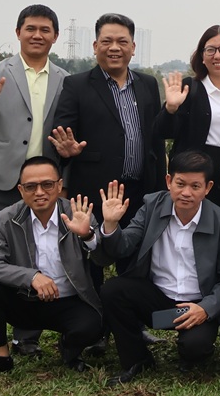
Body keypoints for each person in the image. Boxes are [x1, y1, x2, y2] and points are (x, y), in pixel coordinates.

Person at [0, 4, 66, 362]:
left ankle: (28, 338)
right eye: (30, 28)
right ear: (18, 32)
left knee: (36, 257)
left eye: (45, 29)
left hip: (42, 185)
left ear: (55, 36)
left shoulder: (64, 78)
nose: (37, 35)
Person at [98, 150, 220, 385]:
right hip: (157, 299)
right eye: (180, 184)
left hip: (195, 305)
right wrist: (111, 224)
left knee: (195, 347)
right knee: (113, 290)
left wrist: (205, 308)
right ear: (168, 181)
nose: (186, 193)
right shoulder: (151, 205)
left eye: (195, 186)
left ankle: (190, 348)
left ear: (208, 187)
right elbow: (123, 246)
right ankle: (137, 359)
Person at [0, 157, 108, 384]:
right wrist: (31, 277)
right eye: (31, 186)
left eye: (47, 185)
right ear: (21, 190)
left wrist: (87, 236)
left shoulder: (78, 213)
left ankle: (69, 347)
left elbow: (103, 259)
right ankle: (0, 358)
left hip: (69, 301)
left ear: (59, 186)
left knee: (92, 327)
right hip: (25, 299)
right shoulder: (6, 218)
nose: (39, 192)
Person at [50, 13, 165, 239]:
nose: (114, 48)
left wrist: (160, 191)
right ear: (95, 46)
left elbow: (156, 140)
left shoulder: (148, 84)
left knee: (136, 254)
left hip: (140, 193)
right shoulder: (76, 85)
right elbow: (61, 134)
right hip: (94, 193)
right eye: (107, 41)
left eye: (122, 42)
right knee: (92, 254)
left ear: (133, 47)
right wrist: (65, 150)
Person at [154, 25, 220, 208]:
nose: (217, 56)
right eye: (210, 50)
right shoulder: (189, 87)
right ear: (202, 56)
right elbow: (162, 131)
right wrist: (170, 108)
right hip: (194, 178)